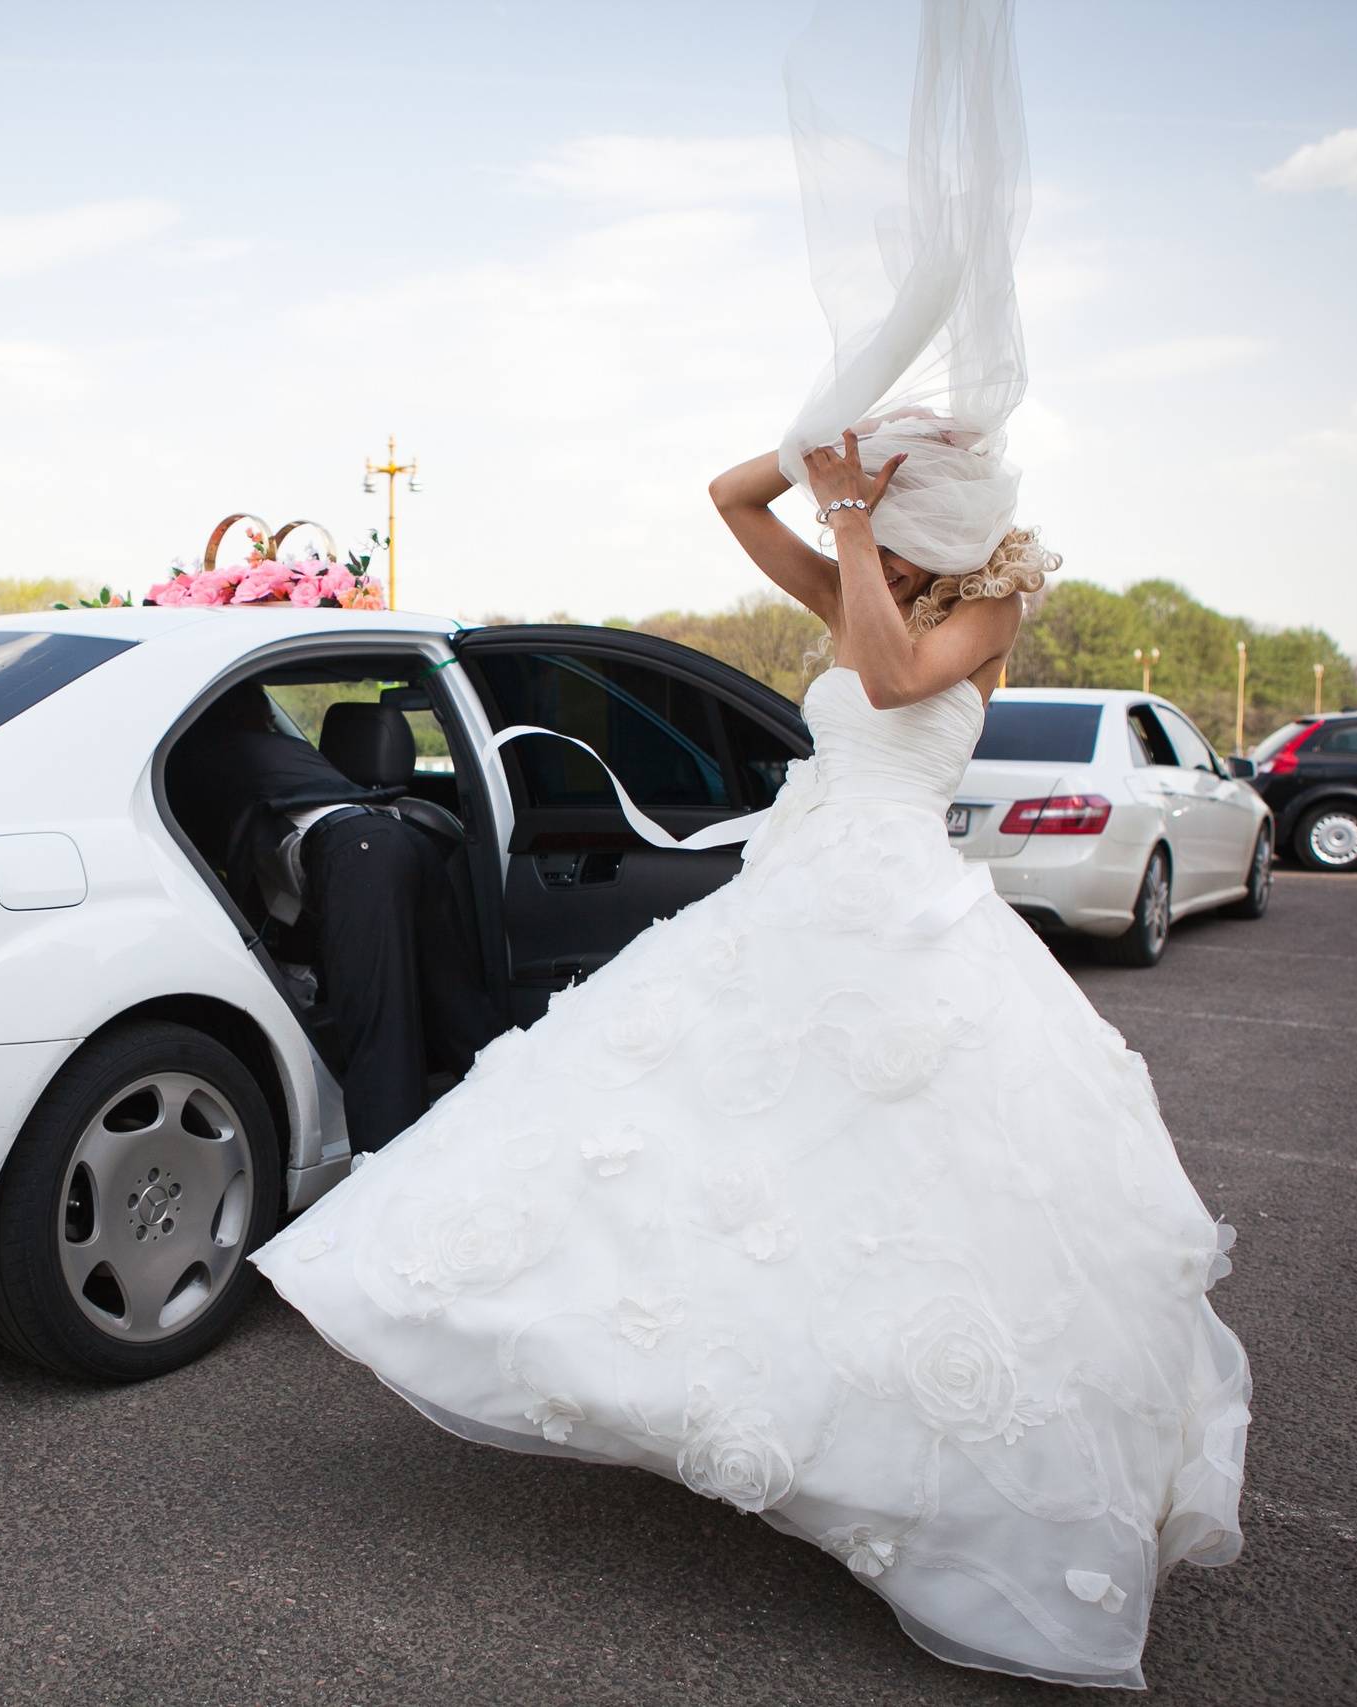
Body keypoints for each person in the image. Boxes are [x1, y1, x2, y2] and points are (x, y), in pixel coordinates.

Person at [252, 1, 1248, 1686]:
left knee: (904, 1186)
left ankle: (926, 1463)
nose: (885, 513)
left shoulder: (984, 618)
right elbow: (726, 502)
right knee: (714, 1157)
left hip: (896, 909)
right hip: (799, 883)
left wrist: (860, 521)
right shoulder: (868, 558)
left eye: (917, 496)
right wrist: (824, 436)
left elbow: (881, 668)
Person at [168, 681, 503, 1152]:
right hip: (402, 838)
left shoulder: (196, 758)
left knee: (379, 1040)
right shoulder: (281, 748)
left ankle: (385, 1187)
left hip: (357, 860)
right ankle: (518, 1121)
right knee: (459, 1011)